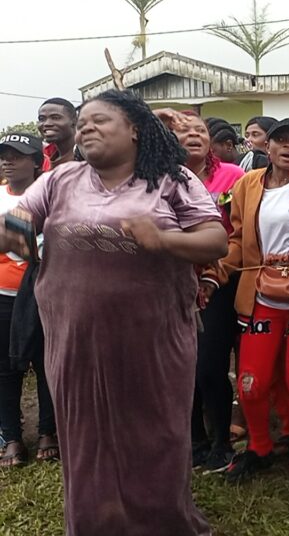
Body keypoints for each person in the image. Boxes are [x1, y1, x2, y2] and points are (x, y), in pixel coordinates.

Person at [0, 90, 227, 535]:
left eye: (100, 120)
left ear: (135, 130)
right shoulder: (60, 180)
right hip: (75, 340)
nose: (87, 127)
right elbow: (18, 223)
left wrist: (164, 240)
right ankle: (94, 524)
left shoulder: (171, 178)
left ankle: (163, 524)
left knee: (155, 436)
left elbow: (215, 240)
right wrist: (14, 231)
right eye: (83, 122)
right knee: (86, 440)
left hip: (154, 340)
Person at [216, 118, 289, 485]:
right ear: (268, 146)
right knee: (252, 380)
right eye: (281, 140)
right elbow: (237, 238)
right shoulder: (247, 185)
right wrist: (216, 271)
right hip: (260, 294)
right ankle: (259, 447)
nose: (288, 146)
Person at [163, 110, 246, 473]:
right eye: (184, 131)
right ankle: (194, 439)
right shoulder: (159, 177)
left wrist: (214, 276)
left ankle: (221, 441)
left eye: (200, 130)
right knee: (181, 366)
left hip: (218, 284)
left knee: (210, 366)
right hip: (171, 284)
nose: (194, 135)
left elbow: (240, 233)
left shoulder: (233, 176)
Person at [0, 132, 57, 467]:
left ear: (37, 162)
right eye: (4, 154)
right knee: (5, 368)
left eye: (17, 155)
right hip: (4, 297)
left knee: (47, 363)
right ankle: (11, 436)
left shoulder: (51, 195)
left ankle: (48, 431)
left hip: (44, 295)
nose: (7, 160)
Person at [36, 97, 80, 169]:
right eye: (42, 119)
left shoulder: (88, 156)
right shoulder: (43, 159)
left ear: (74, 120)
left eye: (55, 118)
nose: (47, 123)